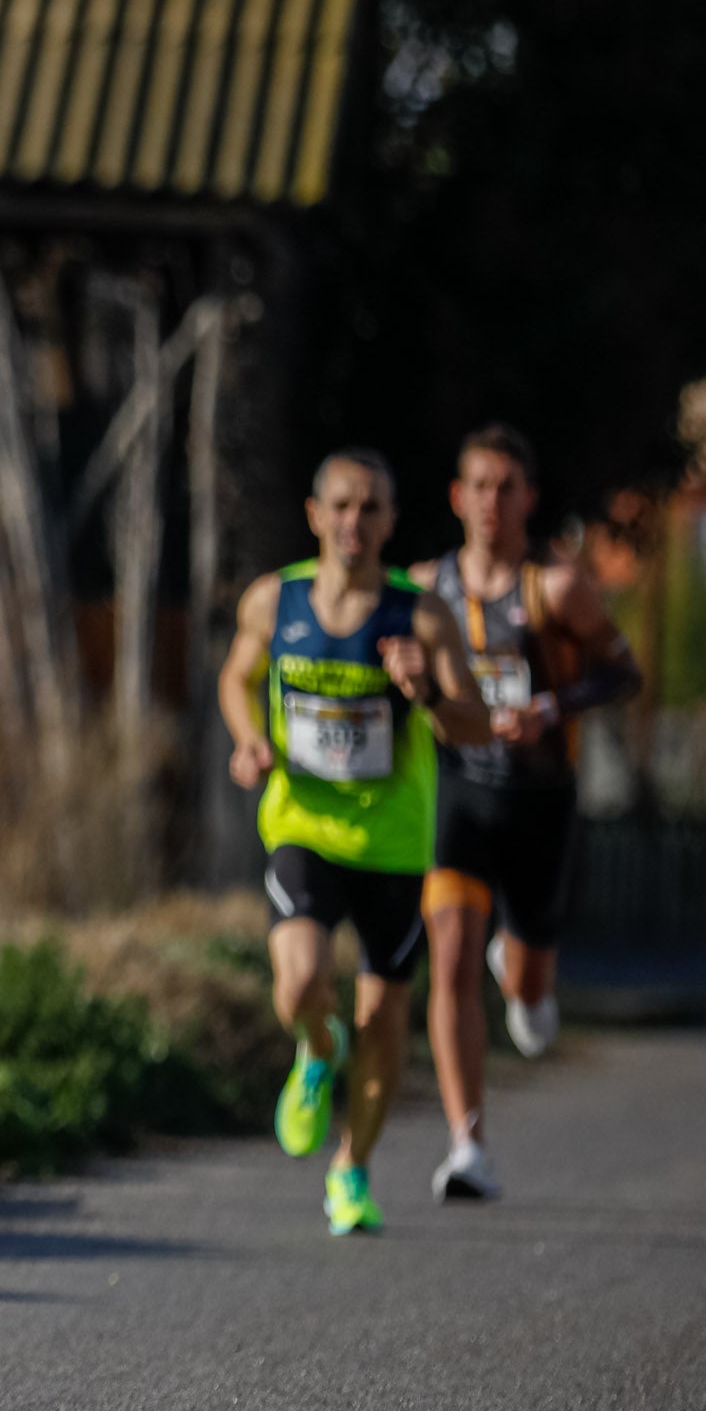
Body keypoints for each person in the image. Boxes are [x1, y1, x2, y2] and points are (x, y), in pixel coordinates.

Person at [219, 450, 492, 1236]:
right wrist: (249, 740)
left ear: (390, 522)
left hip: (394, 846)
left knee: (383, 1019)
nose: (354, 522)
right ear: (315, 514)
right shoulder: (277, 600)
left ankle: (352, 1171)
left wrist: (427, 689)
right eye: (341, 505)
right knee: (300, 982)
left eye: (371, 508)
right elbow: (237, 677)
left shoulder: (422, 613)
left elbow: (474, 723)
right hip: (302, 824)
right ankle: (314, 1047)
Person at [407, 427, 640, 1201]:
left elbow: (624, 673)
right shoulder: (422, 587)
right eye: (478, 485)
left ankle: (528, 976)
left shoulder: (556, 588)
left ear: (528, 498)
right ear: (455, 496)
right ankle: (467, 1141)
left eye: (506, 486)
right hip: (458, 792)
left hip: (539, 796)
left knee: (531, 991)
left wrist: (553, 704)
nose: (491, 501)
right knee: (448, 954)